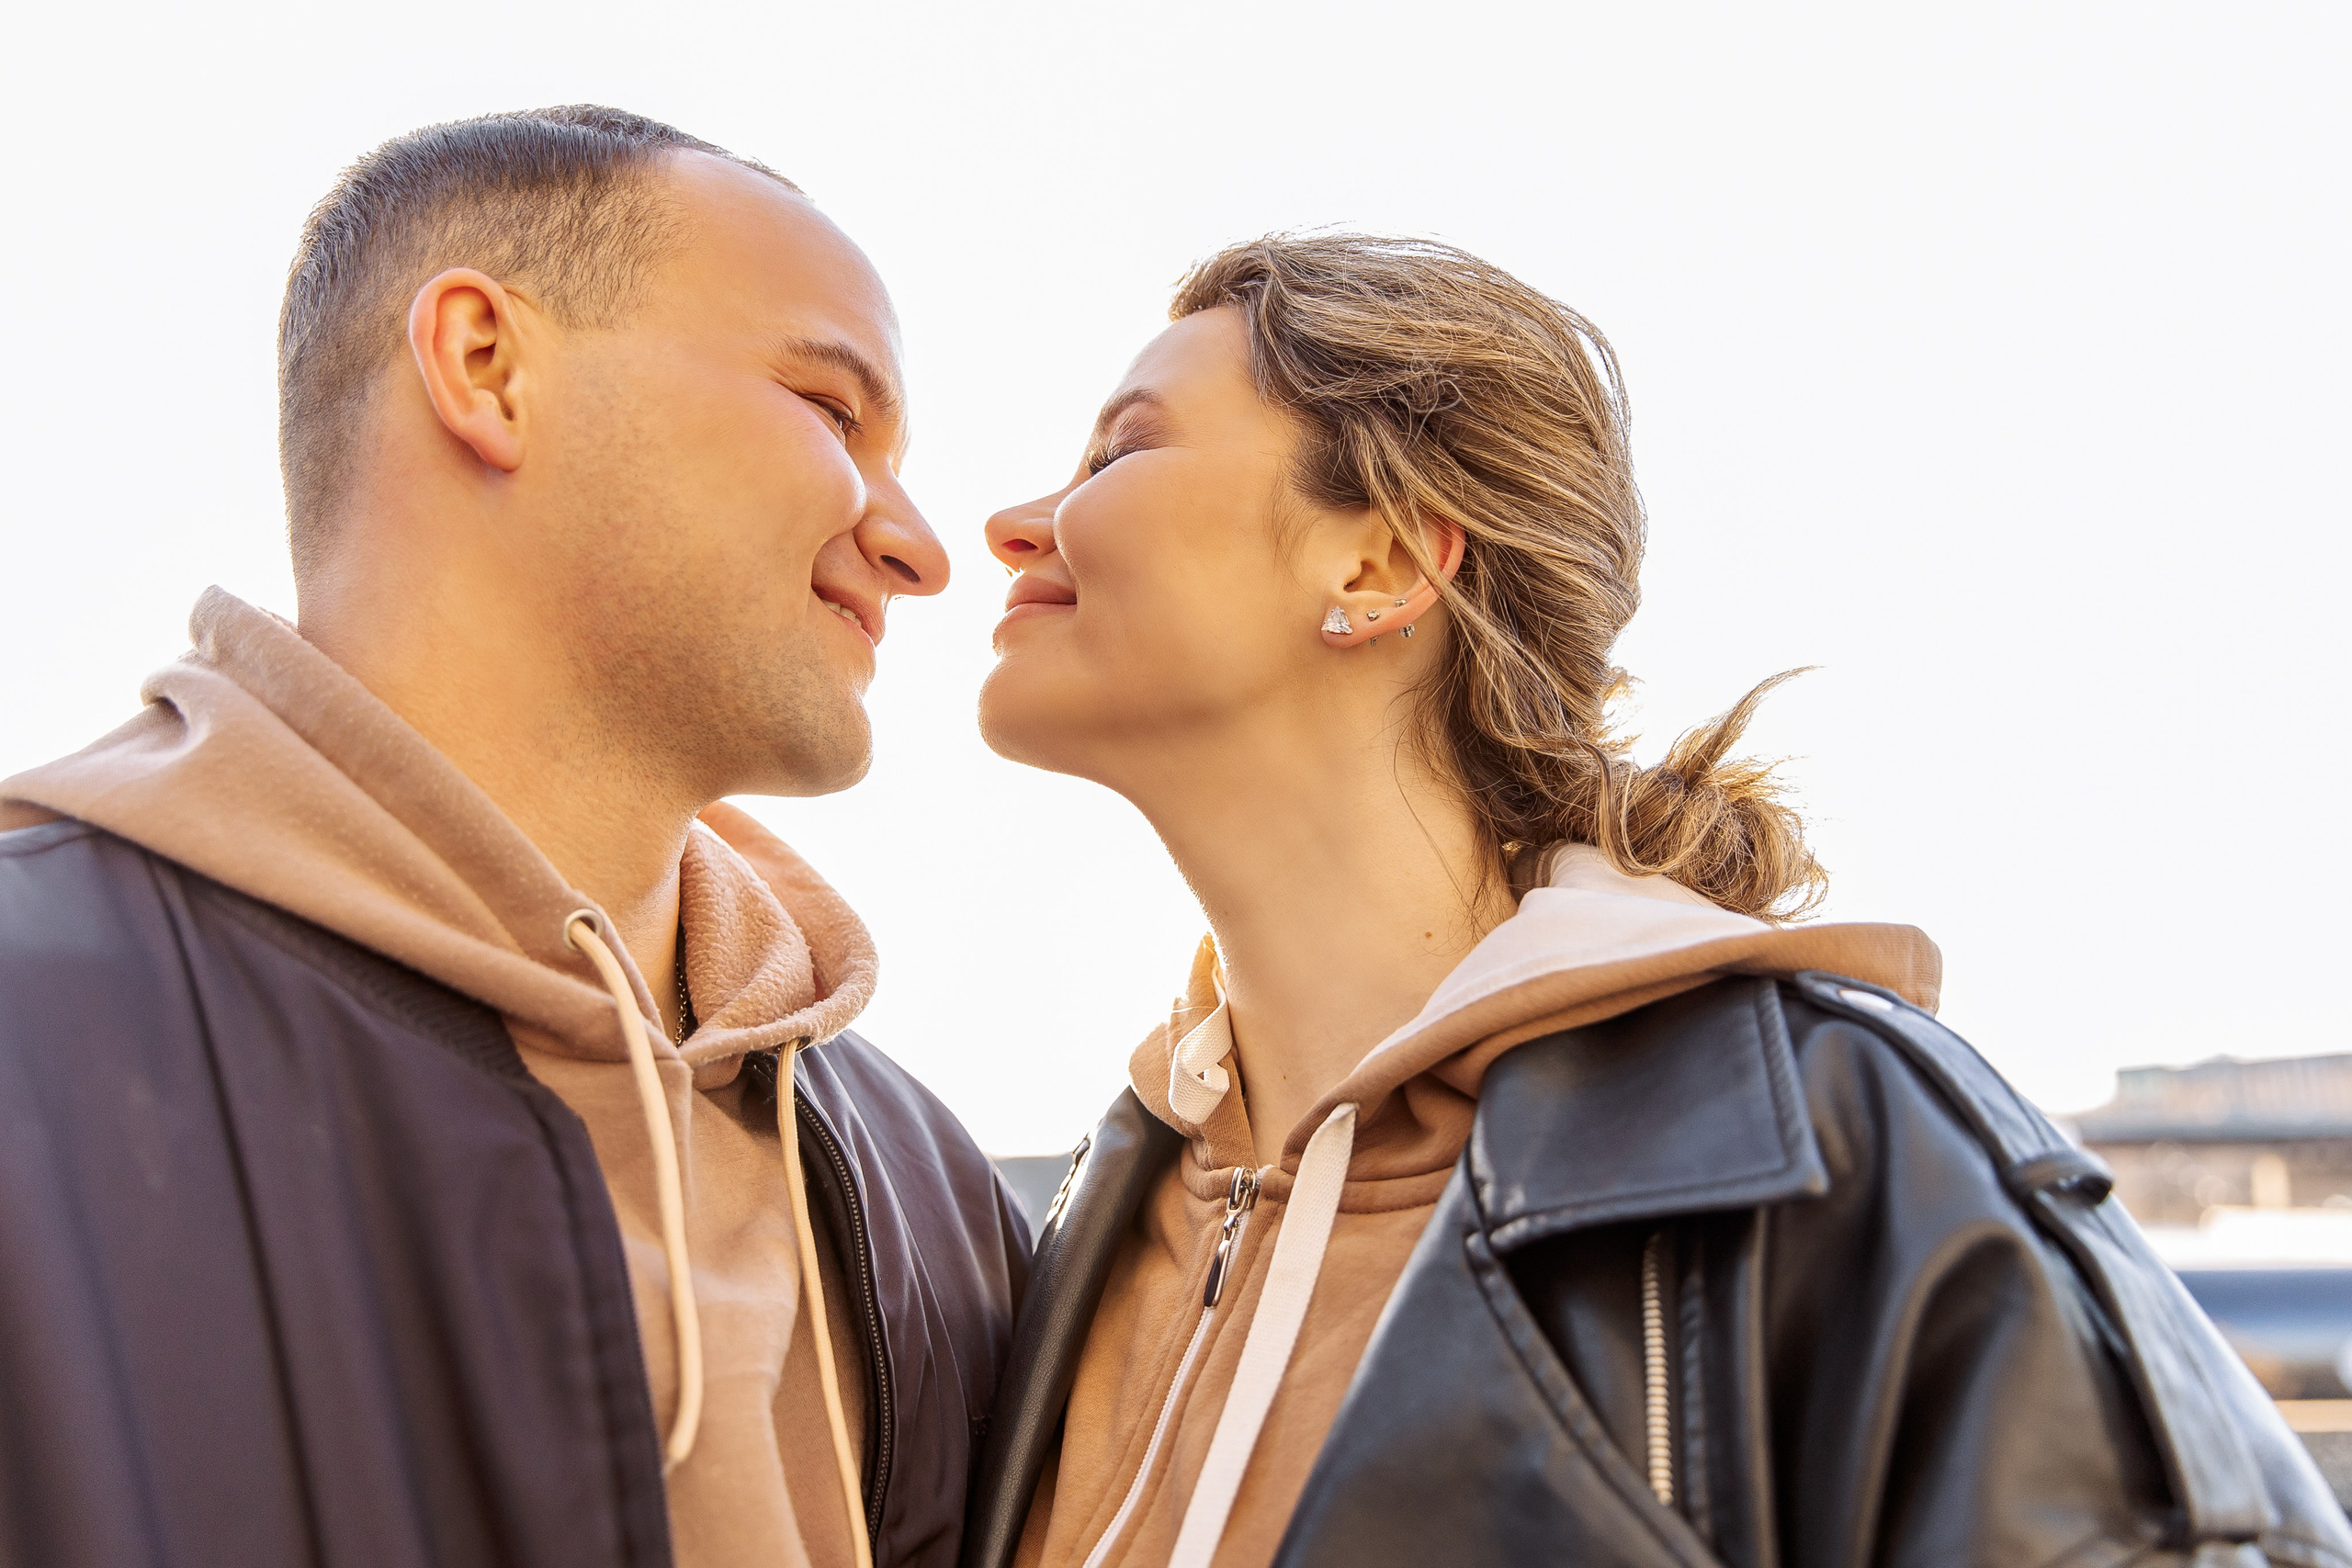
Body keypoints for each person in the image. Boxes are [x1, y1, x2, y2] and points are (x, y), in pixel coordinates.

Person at [959, 233, 2348, 1568]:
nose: (1014, 523)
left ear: (1379, 563)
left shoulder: (1835, 1147)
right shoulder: (1104, 1213)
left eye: (1120, 449)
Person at [0, 107, 1028, 1568]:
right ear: (486, 367)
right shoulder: (33, 1036)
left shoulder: (938, 1201)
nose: (920, 545)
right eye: (831, 410)